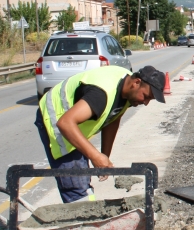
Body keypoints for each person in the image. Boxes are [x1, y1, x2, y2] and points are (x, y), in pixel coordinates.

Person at [35, 65, 166, 203]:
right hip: (57, 118)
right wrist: (95, 156)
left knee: (82, 177)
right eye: (145, 96)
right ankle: (83, 220)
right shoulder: (101, 94)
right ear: (136, 82)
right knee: (76, 184)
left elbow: (113, 118)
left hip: (73, 122)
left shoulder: (127, 88)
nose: (145, 103)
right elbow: (65, 123)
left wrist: (104, 156)